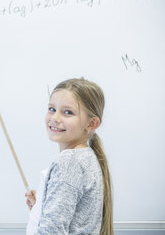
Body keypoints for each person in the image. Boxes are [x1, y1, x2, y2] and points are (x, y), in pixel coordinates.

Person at [25, 78, 113, 235]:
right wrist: (43, 207)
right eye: (52, 109)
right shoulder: (86, 156)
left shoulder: (69, 162)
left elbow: (51, 231)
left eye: (68, 112)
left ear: (91, 124)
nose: (55, 118)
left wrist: (49, 218)